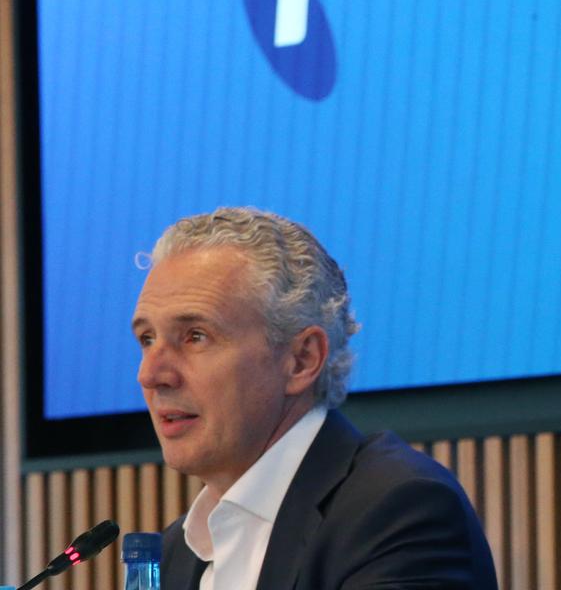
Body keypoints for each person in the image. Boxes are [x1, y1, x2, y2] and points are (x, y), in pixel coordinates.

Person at [131, 207, 498, 589]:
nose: (151, 374)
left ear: (302, 359)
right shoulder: (175, 553)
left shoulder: (398, 510)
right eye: (147, 340)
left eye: (195, 336)